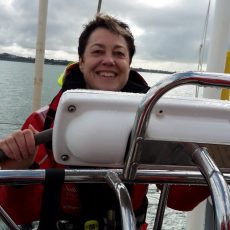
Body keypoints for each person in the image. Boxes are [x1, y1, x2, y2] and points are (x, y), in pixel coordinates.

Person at [0, 14, 209, 230]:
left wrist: (215, 156)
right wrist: (19, 174)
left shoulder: (154, 124)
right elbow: (18, 214)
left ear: (129, 64)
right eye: (98, 51)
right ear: (81, 62)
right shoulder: (41, 123)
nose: (108, 60)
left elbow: (180, 199)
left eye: (119, 53)